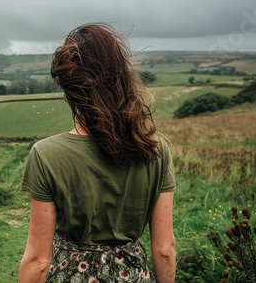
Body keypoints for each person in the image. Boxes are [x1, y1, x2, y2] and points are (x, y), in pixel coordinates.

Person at [19, 23, 176, 283]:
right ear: (122, 75)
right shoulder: (156, 150)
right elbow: (165, 250)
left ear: (70, 89)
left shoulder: (46, 155)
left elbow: (38, 261)